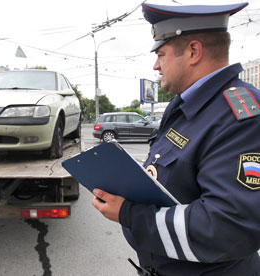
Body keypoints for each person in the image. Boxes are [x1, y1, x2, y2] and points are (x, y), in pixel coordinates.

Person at [92, 2, 260, 276]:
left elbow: (229, 226)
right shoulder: (186, 105)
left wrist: (128, 214)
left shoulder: (241, 115)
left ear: (193, 51)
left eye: (161, 54)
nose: (156, 65)